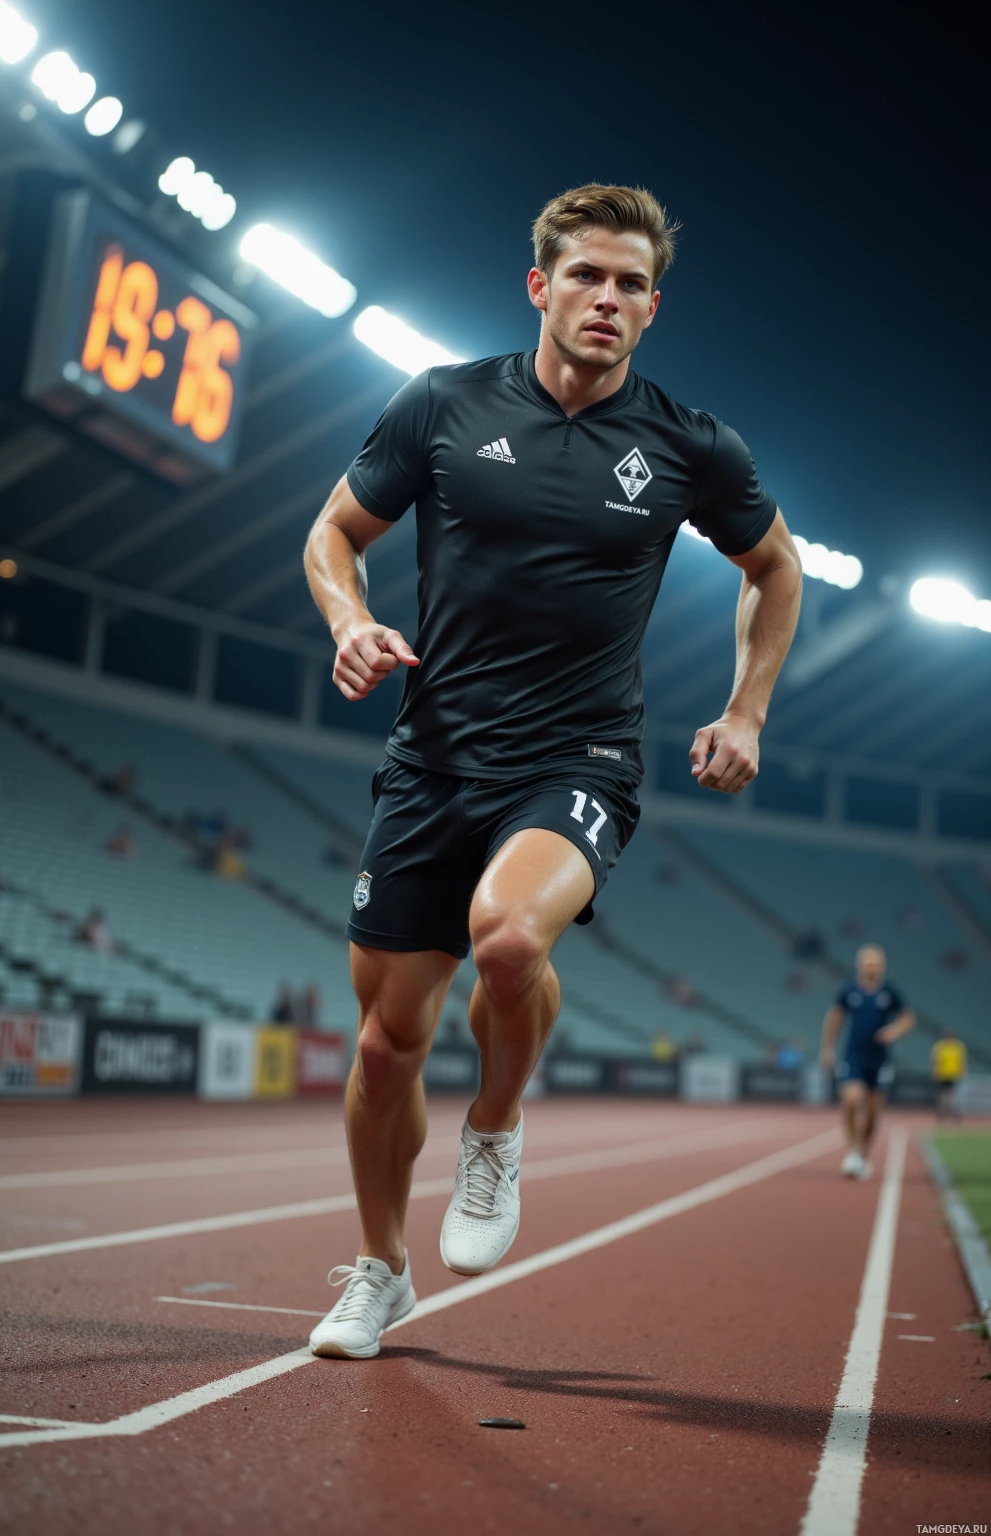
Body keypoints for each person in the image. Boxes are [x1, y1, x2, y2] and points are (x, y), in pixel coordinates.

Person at [303, 182, 802, 1358]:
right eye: (587, 275)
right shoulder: (440, 404)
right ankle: (380, 1269)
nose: (608, 300)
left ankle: (495, 1127)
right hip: (432, 758)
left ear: (652, 308)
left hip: (575, 757)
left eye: (631, 284)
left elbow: (775, 569)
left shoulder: (688, 444)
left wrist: (746, 711)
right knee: (384, 1044)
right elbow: (333, 532)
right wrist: (347, 623)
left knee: (511, 940)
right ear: (540, 285)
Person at [819, 944, 915, 1179]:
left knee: (872, 1113)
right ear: (859, 965)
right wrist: (828, 1048)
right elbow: (834, 1018)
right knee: (851, 1100)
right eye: (867, 962)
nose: (871, 967)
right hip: (853, 1055)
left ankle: (863, 1154)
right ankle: (851, 1150)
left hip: (879, 1059)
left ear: (882, 966)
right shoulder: (849, 991)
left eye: (875, 963)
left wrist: (894, 1031)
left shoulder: (889, 992)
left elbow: (907, 1018)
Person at [930, 1027, 967, 1121]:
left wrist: (962, 1071)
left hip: (952, 1074)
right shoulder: (941, 1047)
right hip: (944, 1074)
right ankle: (946, 1114)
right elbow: (936, 1061)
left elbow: (962, 1061)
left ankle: (946, 1114)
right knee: (946, 1095)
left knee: (948, 1095)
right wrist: (935, 1072)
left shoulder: (956, 1047)